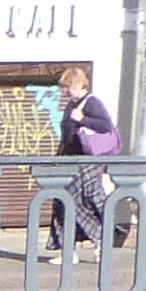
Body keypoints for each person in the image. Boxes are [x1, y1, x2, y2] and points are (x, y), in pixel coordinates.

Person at [54, 63, 122, 247]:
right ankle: (68, 249)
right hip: (71, 161)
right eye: (64, 87)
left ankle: (103, 239)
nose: (65, 91)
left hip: (88, 162)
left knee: (83, 202)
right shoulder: (71, 105)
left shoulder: (92, 103)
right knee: (63, 202)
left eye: (68, 87)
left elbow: (106, 125)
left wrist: (83, 119)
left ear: (78, 84)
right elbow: (67, 136)